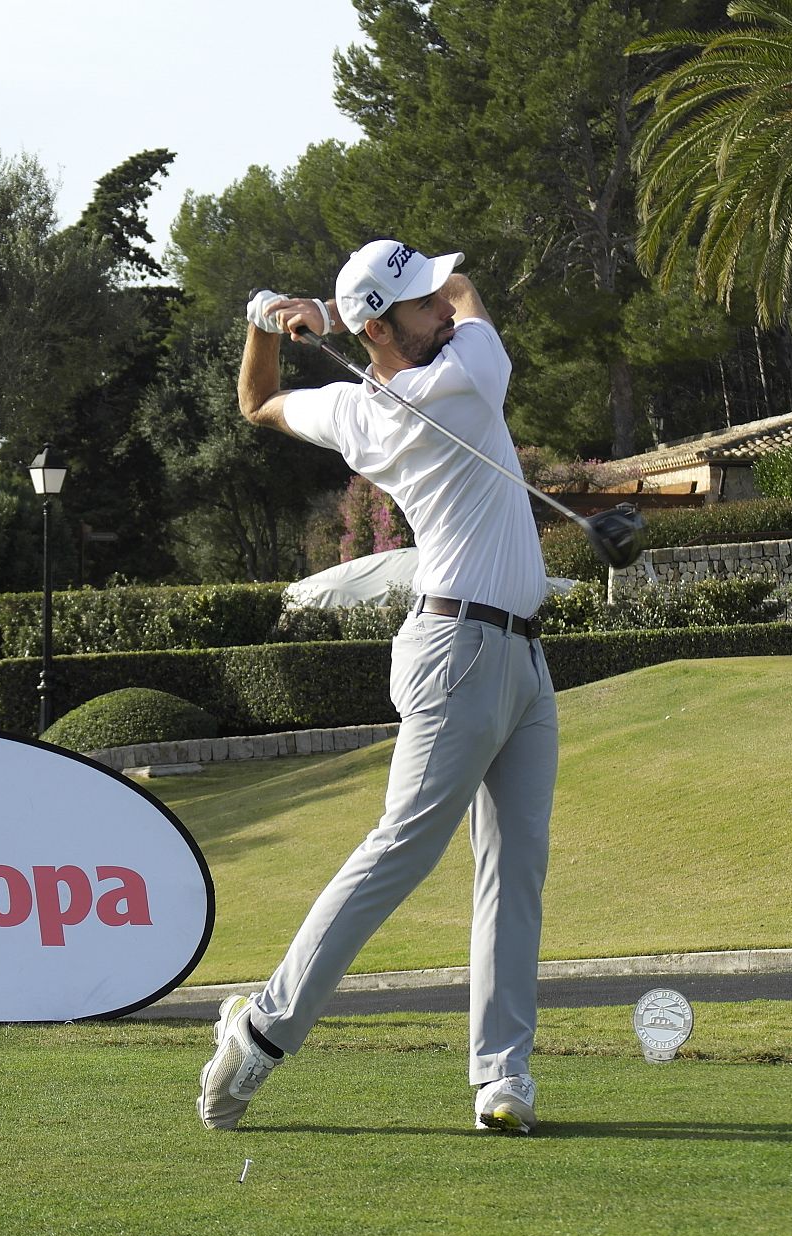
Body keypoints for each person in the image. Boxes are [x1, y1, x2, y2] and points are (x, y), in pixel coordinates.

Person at [197, 239, 557, 1134]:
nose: (444, 303)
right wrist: (327, 311)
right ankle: (261, 1031)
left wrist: (267, 324)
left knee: (515, 870)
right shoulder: (468, 373)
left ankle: (502, 1076)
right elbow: (472, 292)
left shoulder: (356, 412)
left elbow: (256, 402)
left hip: (520, 660)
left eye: (436, 294)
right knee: (400, 848)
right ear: (383, 326)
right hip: (459, 650)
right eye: (421, 300)